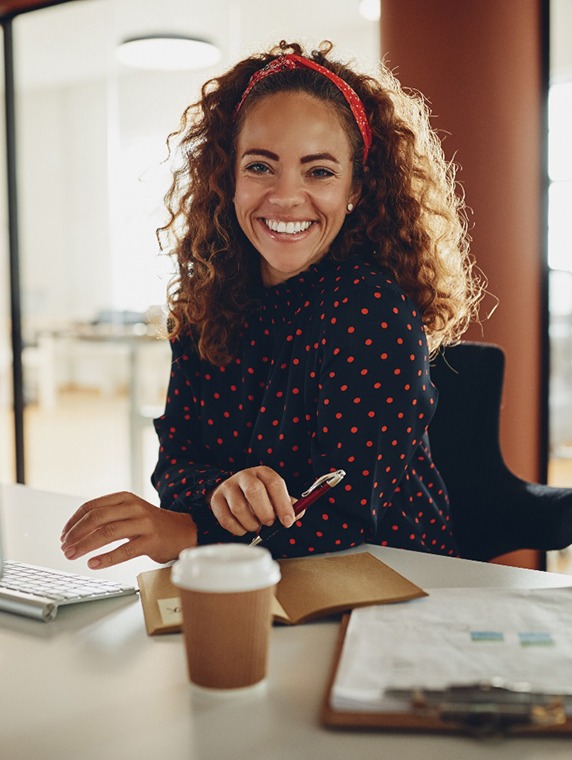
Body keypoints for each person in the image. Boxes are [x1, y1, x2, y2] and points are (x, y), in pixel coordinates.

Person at [60, 40, 482, 569]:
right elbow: (176, 465)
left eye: (319, 171)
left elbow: (345, 515)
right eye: (261, 166)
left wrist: (194, 532)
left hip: (389, 578)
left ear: (356, 187)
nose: (285, 197)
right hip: (257, 577)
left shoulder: (373, 308)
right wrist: (221, 493)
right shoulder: (206, 301)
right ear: (228, 177)